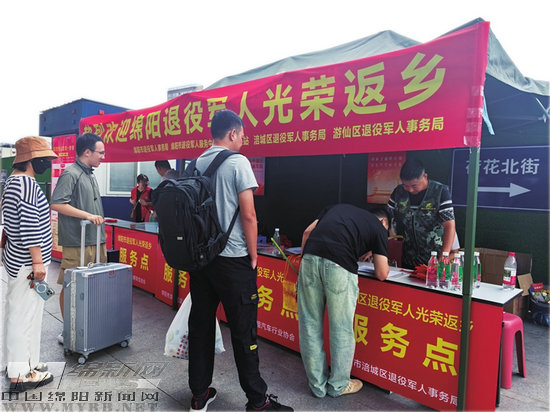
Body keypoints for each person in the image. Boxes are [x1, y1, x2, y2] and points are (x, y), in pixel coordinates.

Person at [187, 109, 293, 412]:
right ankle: (257, 401)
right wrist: (254, 254)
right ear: (233, 133)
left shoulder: (195, 164)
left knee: (201, 326)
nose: (243, 141)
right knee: (244, 330)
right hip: (233, 260)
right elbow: (248, 214)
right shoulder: (237, 162)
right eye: (242, 135)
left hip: (202, 261)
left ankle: (199, 394)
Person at [297, 204, 390, 399]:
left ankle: (317, 386)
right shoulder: (380, 228)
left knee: (309, 324)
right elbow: (382, 273)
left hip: (309, 260)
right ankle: (338, 385)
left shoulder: (336, 209)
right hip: (339, 267)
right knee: (341, 328)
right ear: (384, 221)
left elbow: (307, 232)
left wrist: (306, 264)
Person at [2, 136, 57, 392]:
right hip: (28, 263)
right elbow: (29, 225)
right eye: (44, 158)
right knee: (23, 317)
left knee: (23, 314)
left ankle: (25, 363)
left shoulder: (13, 182)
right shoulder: (25, 184)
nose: (48, 162)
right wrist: (38, 261)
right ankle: (20, 374)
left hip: (18, 260)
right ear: (31, 160)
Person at [50, 133, 107, 344]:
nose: (103, 156)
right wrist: (88, 216)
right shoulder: (71, 173)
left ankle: (86, 325)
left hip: (95, 239)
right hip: (78, 241)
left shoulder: (89, 174)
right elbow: (57, 203)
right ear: (87, 152)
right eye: (100, 152)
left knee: (94, 284)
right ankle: (68, 329)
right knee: (71, 285)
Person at [388, 158, 456, 269]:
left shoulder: (440, 192)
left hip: (434, 257)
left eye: (414, 185)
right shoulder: (399, 192)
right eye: (405, 185)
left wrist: (444, 257)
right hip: (408, 256)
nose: (410, 190)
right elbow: (386, 217)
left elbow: (449, 225)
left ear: (425, 176)